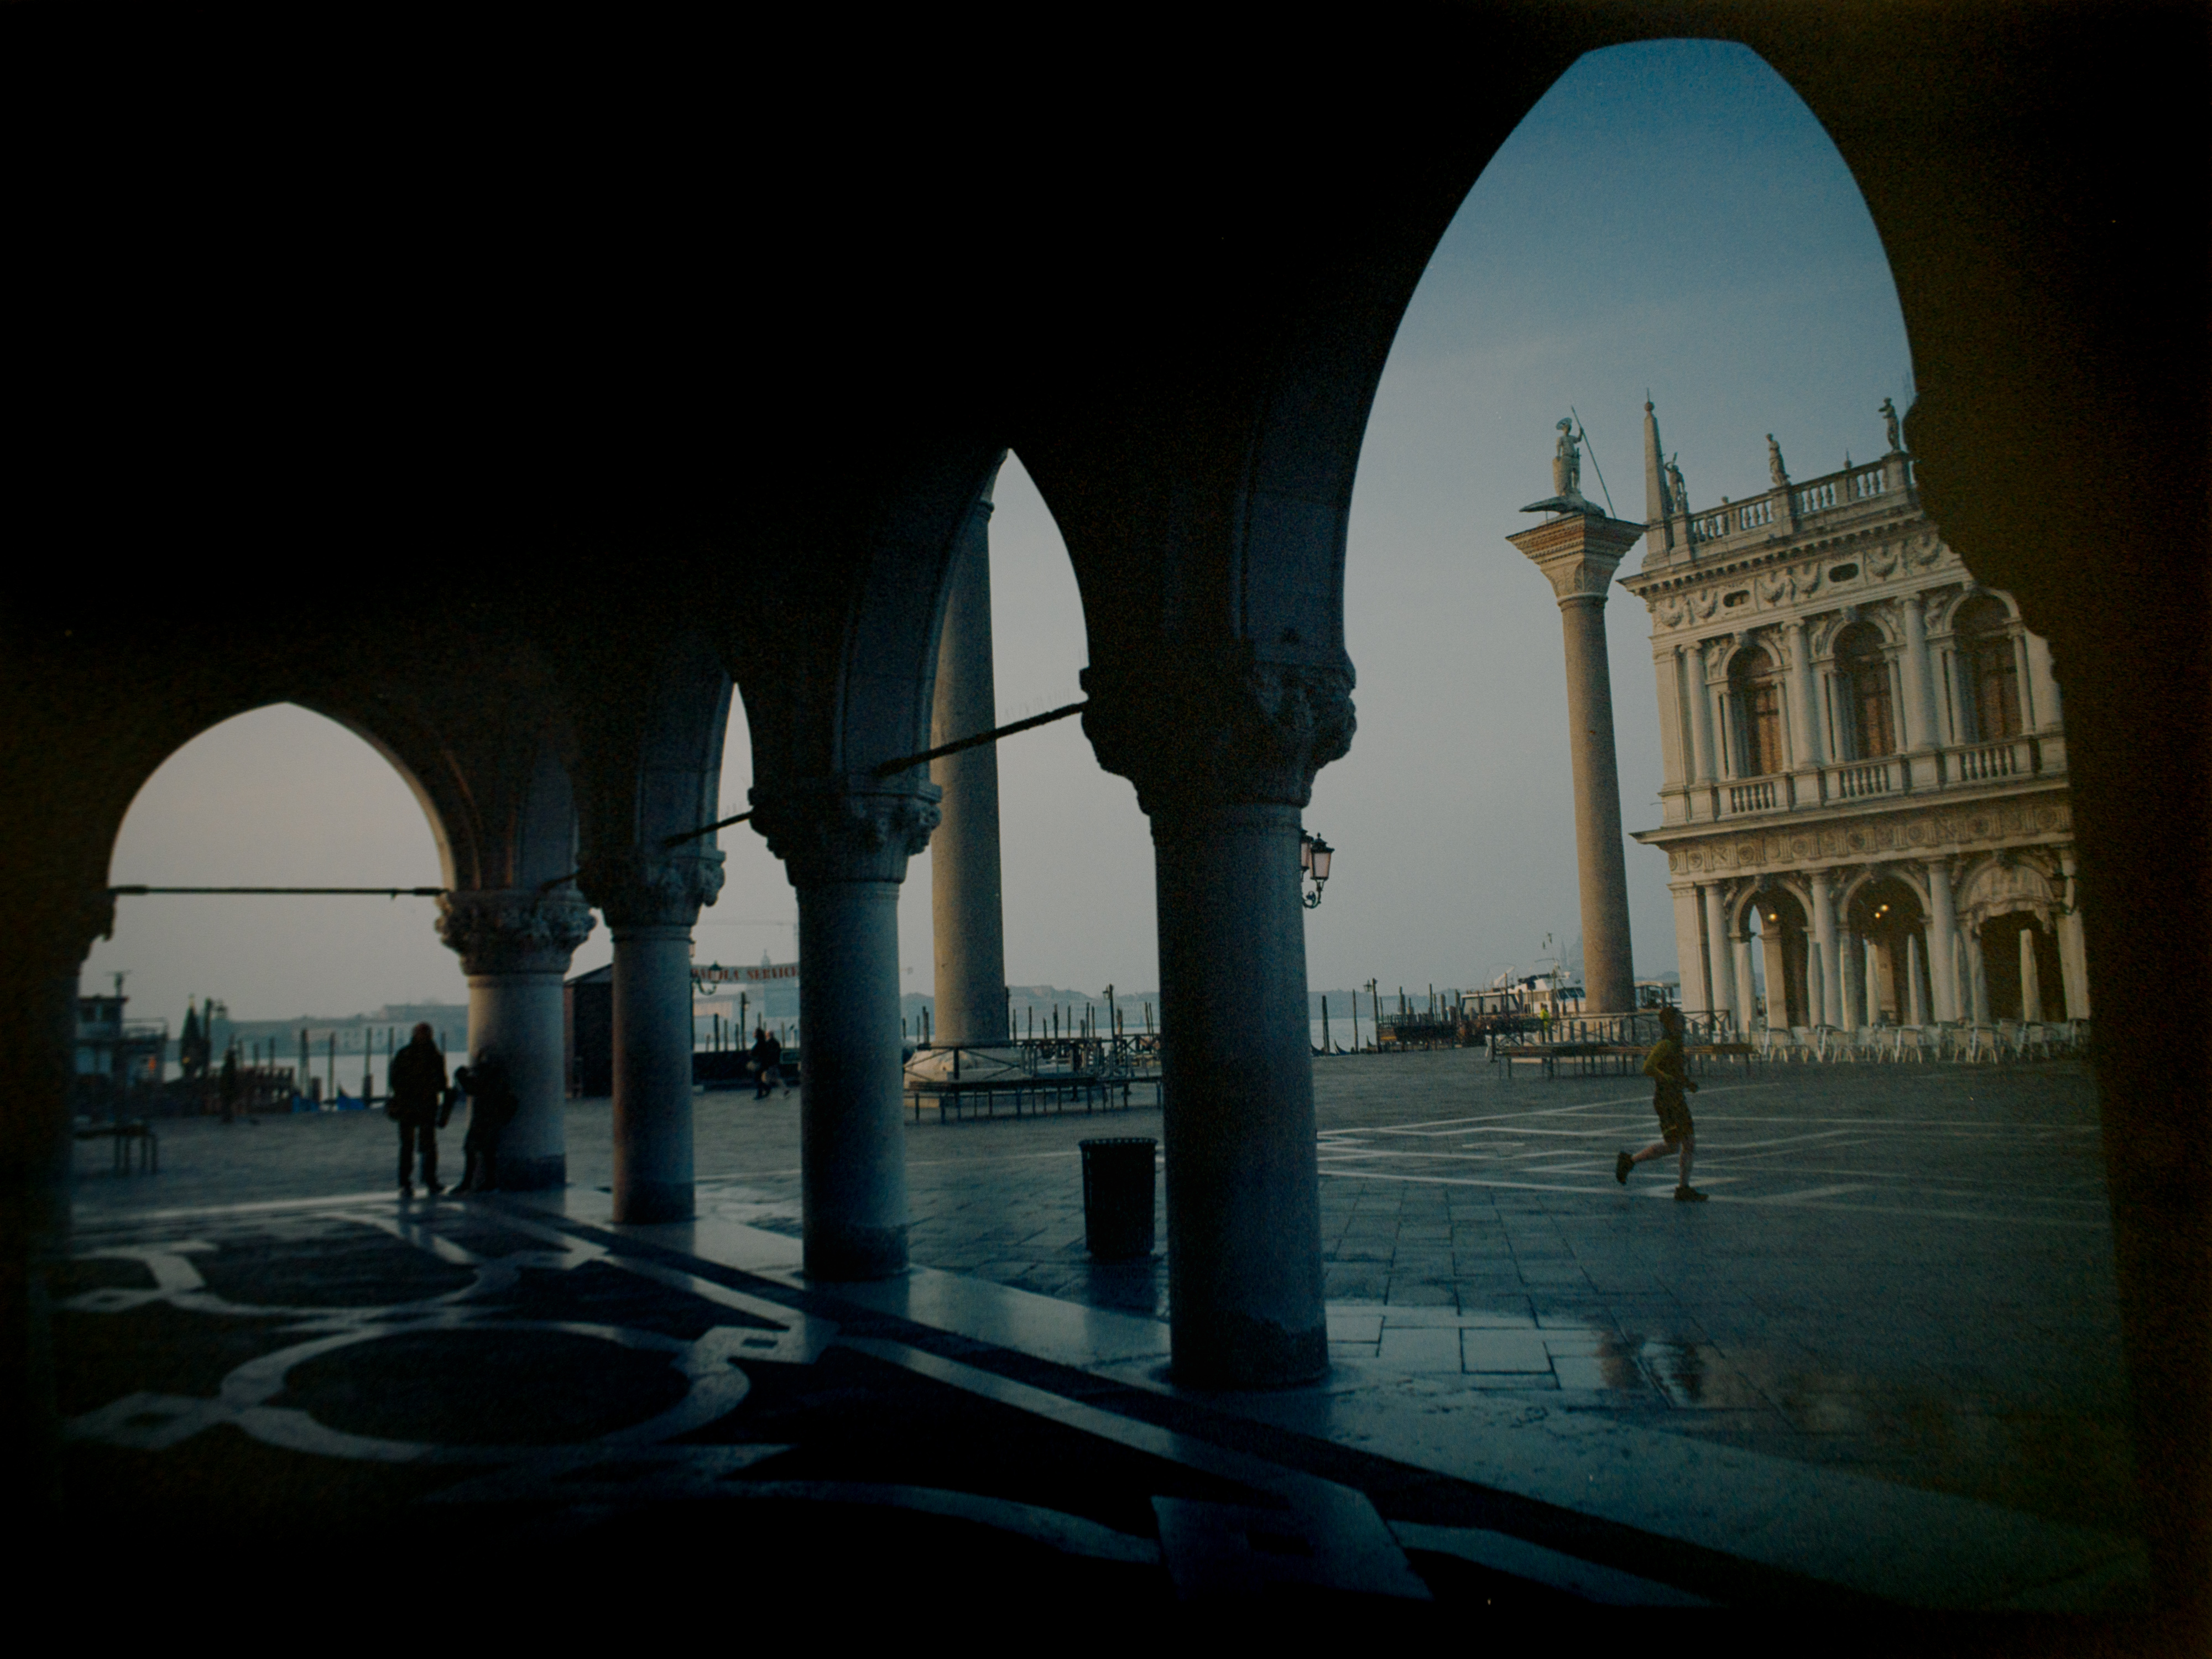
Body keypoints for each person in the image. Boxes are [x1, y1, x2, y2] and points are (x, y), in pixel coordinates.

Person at [1618, 1005, 1707, 1201]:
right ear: (1670, 1024)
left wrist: (1687, 1084)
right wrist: (1666, 1078)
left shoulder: (1676, 1044)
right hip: (1667, 1100)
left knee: (1685, 1143)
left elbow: (1675, 1070)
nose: (1682, 1023)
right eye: (1679, 1020)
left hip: (1676, 1098)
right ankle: (1630, 1161)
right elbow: (1648, 1067)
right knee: (1675, 1145)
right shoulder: (1665, 1044)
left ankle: (1683, 1187)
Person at [386, 1022, 447, 1197]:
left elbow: (395, 1081)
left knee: (408, 1145)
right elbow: (442, 1083)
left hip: (408, 1106)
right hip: (426, 1105)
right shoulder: (435, 1056)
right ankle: (429, 1181)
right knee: (427, 1145)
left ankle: (406, 1183)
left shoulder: (405, 1054)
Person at [452, 1047, 517, 1193]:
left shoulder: (487, 1078)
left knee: (472, 1150)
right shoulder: (498, 1078)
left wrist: (461, 1075)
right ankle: (488, 1182)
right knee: (488, 1152)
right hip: (492, 1120)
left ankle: (469, 1182)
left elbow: (472, 1088)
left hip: (483, 1119)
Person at [750, 1025, 782, 1099]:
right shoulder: (763, 1042)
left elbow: (757, 1052)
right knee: (758, 1078)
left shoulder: (760, 1043)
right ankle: (762, 1092)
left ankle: (765, 1089)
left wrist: (752, 1054)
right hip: (764, 1063)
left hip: (761, 1063)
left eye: (755, 1033)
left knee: (757, 1079)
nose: (753, 1034)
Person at [218, 1046, 240, 1125]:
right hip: (229, 1088)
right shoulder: (231, 1066)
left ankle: (227, 1118)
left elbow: (227, 1079)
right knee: (228, 1104)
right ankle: (228, 1118)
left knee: (227, 1104)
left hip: (228, 1089)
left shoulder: (229, 1066)